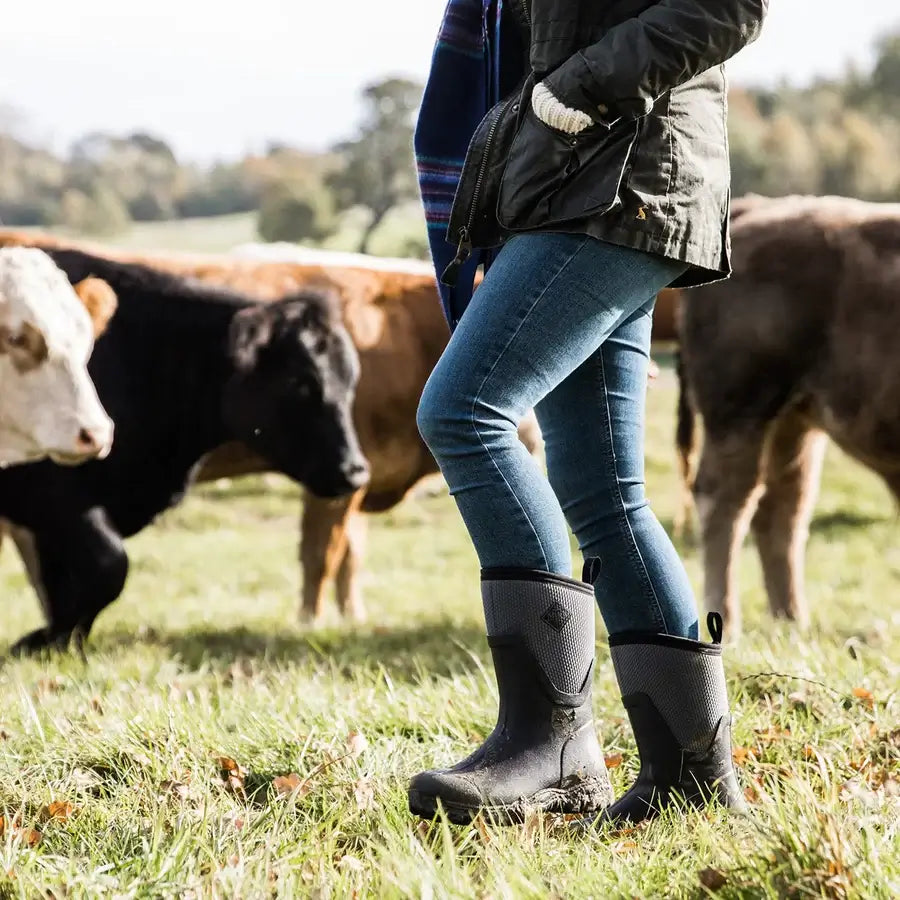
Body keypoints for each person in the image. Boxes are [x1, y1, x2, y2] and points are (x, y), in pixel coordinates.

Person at [409, 0, 769, 825]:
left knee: (466, 413)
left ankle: (549, 748)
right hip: (576, 171)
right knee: (603, 489)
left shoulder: (591, 109)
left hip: (622, 167)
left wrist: (579, 90)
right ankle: (691, 781)